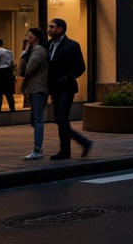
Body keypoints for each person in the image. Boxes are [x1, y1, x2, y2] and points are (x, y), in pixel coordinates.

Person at [45, 17, 93, 160]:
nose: (48, 29)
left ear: (60, 29)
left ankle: (65, 151)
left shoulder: (72, 45)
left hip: (66, 88)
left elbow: (80, 67)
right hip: (54, 88)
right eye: (49, 27)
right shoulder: (49, 45)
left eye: (52, 27)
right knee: (58, 120)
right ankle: (84, 142)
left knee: (61, 118)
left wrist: (65, 77)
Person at [20, 28, 49, 159]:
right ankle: (38, 148)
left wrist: (25, 54)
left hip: (38, 88)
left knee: (37, 120)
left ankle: (37, 150)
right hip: (33, 88)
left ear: (37, 37)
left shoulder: (39, 50)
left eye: (30, 36)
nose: (28, 39)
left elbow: (27, 69)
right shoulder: (32, 51)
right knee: (34, 119)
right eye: (27, 36)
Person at [0, 38, 17, 113]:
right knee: (9, 92)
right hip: (8, 71)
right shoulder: (9, 51)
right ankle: (12, 107)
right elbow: (12, 62)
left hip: (0, 72)